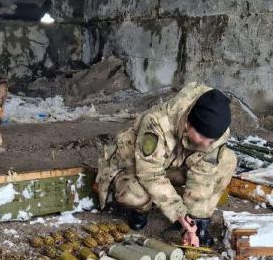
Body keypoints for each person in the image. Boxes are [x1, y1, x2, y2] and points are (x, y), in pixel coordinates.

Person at [95, 82, 237, 247]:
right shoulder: (157, 122)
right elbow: (150, 174)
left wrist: (191, 224)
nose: (206, 144)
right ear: (188, 123)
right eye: (202, 136)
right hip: (138, 166)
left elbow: (203, 175)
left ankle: (198, 224)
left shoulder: (216, 130)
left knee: (227, 160)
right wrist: (179, 212)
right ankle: (141, 210)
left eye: (211, 140)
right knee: (134, 194)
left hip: (174, 165)